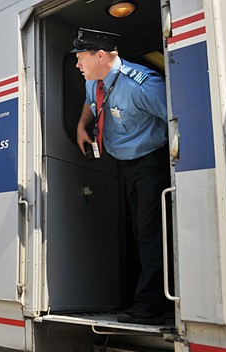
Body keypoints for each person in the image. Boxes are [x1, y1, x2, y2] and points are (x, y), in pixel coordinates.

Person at [71, 28, 170, 325]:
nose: (77, 65)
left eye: (81, 58)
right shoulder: (94, 80)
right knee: (141, 233)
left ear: (100, 55)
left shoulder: (141, 85)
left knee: (151, 235)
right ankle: (149, 298)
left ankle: (149, 306)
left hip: (151, 163)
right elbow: (91, 101)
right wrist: (81, 125)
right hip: (128, 166)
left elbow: (180, 117)